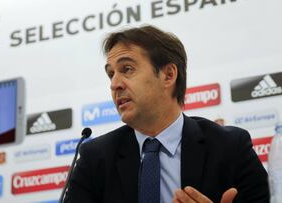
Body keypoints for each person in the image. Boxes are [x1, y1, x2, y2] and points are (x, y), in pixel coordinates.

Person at [64, 25, 269, 203]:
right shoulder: (95, 159)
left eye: (127, 69)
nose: (115, 84)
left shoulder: (230, 147)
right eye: (111, 74)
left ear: (168, 75)